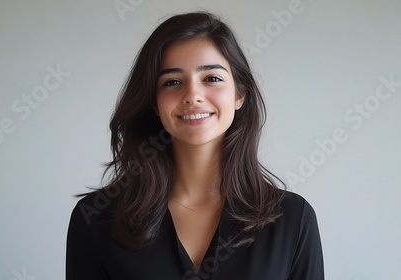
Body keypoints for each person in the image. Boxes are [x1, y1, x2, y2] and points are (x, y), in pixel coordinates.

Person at [66, 12, 324, 280]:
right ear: (154, 103)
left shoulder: (292, 219)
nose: (192, 96)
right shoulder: (95, 219)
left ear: (239, 95)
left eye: (212, 78)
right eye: (173, 82)